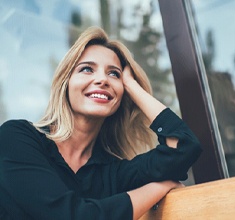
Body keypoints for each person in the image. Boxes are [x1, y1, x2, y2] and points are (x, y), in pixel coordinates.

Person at [0, 26, 202, 220]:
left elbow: (184, 147)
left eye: (114, 74)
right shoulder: (16, 138)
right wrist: (159, 187)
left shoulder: (112, 172)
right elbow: (72, 216)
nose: (102, 80)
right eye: (87, 69)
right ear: (66, 83)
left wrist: (133, 86)